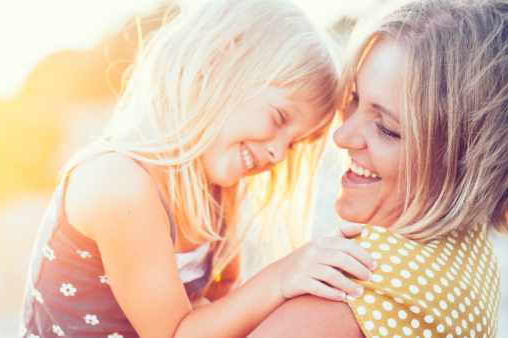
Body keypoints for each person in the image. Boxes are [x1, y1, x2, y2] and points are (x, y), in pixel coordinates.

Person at [19, 1, 377, 337]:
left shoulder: (215, 192)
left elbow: (222, 299)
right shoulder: (119, 183)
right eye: (279, 118)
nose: (277, 152)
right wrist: (282, 276)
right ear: (218, 66)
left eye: (294, 143)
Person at [248, 0, 508, 337]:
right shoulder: (470, 253)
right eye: (354, 99)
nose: (341, 137)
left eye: (387, 129)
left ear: (466, 162)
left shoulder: (354, 284)